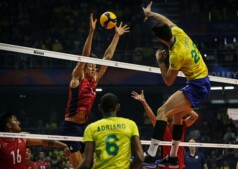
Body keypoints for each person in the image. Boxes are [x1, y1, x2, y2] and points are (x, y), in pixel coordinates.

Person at [142, 1, 210, 168]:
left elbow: (168, 81)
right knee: (177, 117)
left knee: (162, 111)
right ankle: (172, 158)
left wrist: (160, 62)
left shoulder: (176, 55)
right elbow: (166, 20)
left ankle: (150, 155)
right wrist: (150, 14)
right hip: (201, 82)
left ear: (159, 39)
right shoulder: (179, 33)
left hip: (197, 85)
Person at [59, 13, 129, 168]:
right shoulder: (77, 78)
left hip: (84, 127)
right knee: (78, 165)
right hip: (70, 127)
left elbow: (107, 57)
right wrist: (91, 32)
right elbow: (84, 56)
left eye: (94, 65)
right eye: (91, 64)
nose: (93, 66)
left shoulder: (95, 79)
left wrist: (117, 36)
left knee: (90, 163)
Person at [131, 90, 198, 169]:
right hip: (165, 165)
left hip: (179, 165)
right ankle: (152, 155)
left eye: (167, 109)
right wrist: (144, 102)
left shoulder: (182, 124)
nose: (166, 111)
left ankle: (159, 156)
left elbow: (195, 116)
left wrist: (182, 105)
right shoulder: (162, 126)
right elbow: (152, 117)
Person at [78, 93, 144, 169]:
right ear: (118, 107)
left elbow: (86, 163)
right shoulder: (130, 125)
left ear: (100, 107)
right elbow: (139, 158)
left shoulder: (91, 128)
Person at [0, 113, 71, 169]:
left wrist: (64, 146)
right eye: (15, 120)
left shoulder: (23, 137)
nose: (19, 122)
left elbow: (44, 141)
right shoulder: (1, 141)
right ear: (9, 125)